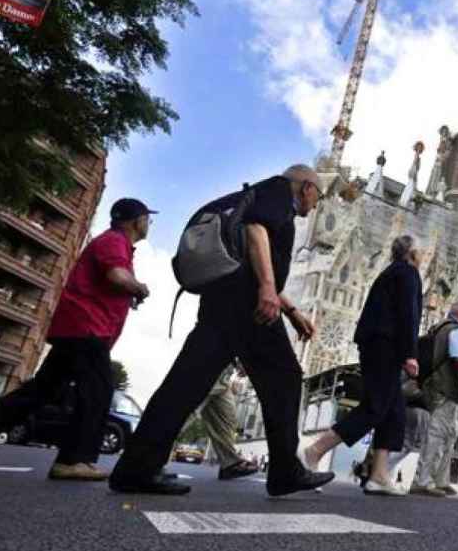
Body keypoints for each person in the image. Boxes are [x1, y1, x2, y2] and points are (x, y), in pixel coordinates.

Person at [110, 165, 334, 496]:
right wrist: (269, 290)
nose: (316, 205)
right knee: (284, 378)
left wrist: (291, 309)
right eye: (319, 196)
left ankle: (136, 467)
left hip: (226, 303)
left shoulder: (262, 195)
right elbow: (256, 229)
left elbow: (251, 256)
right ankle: (285, 471)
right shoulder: (276, 191)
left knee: (187, 382)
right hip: (247, 308)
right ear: (306, 188)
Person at [0, 199, 152, 480]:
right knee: (98, 390)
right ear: (136, 220)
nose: (149, 224)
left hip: (79, 329)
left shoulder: (117, 244)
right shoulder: (114, 241)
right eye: (146, 219)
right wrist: (139, 288)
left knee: (42, 391)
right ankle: (74, 459)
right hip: (86, 328)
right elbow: (117, 276)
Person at [301, 235, 423, 496]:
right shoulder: (408, 273)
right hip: (386, 347)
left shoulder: (389, 273)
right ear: (412, 254)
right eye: (420, 253)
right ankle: (315, 450)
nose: (422, 258)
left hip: (375, 345)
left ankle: (379, 475)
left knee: (394, 413)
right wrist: (411, 354)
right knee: (375, 407)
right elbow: (408, 315)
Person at [410, 301, 458, 497]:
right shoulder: (456, 332)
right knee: (437, 434)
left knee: (450, 434)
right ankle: (422, 481)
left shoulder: (439, 328)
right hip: (445, 389)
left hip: (442, 389)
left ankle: (440, 479)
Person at [201, 361, 259, 480]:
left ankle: (229, 463)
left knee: (227, 417)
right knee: (185, 412)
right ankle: (153, 459)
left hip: (224, 375)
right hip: (208, 368)